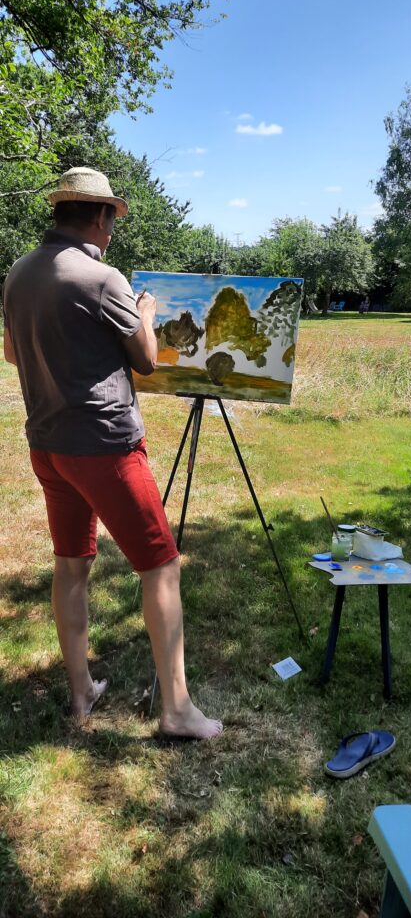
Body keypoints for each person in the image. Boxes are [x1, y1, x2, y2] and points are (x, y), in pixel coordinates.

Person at [2, 166, 223, 739]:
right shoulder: (103, 278)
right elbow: (146, 358)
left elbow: (10, 354)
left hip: (47, 446)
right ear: (98, 216)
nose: (111, 231)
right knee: (162, 565)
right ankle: (176, 711)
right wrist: (145, 315)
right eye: (111, 221)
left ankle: (81, 696)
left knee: (71, 565)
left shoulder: (18, 274)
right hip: (104, 446)